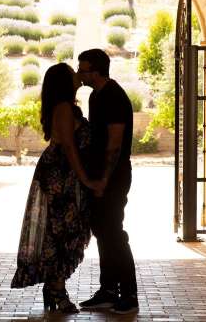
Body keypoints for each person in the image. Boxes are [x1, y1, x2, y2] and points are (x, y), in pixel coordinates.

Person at [11, 63, 99, 313]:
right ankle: (57, 291)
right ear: (63, 82)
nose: (77, 76)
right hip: (61, 176)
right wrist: (86, 179)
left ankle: (54, 288)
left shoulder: (66, 107)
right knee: (62, 232)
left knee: (62, 231)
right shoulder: (63, 109)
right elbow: (70, 148)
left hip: (62, 174)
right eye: (72, 74)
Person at [76, 49, 139, 314]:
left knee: (114, 234)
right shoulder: (95, 96)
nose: (80, 74)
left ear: (97, 71)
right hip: (100, 178)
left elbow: (114, 144)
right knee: (103, 232)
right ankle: (108, 290)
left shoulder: (114, 96)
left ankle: (129, 294)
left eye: (84, 69)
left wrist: (104, 179)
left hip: (112, 179)